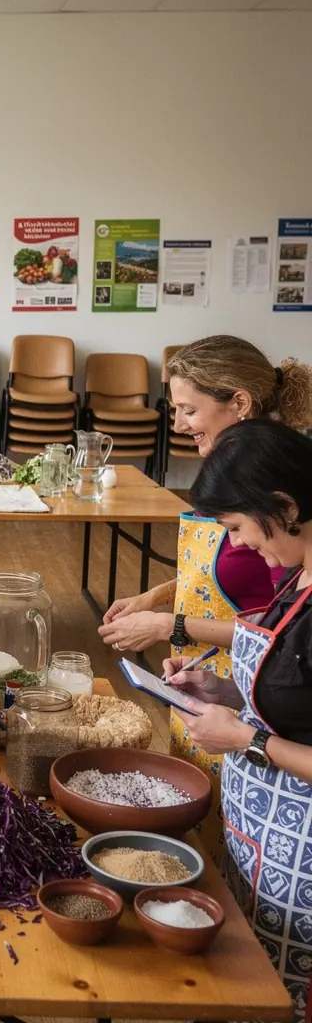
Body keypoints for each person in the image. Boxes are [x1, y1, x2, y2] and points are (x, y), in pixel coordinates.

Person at [99, 335, 312, 860]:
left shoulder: (280, 526)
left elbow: (279, 639)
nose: (179, 423)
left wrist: (173, 626)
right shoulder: (260, 507)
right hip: (246, 714)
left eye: (189, 409)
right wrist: (158, 600)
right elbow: (222, 582)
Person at [164, 420, 312, 1023]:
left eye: (239, 529)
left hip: (301, 867)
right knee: (255, 989)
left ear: (284, 507)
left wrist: (247, 738)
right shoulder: (297, 575)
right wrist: (222, 687)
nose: (242, 546)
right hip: (263, 846)